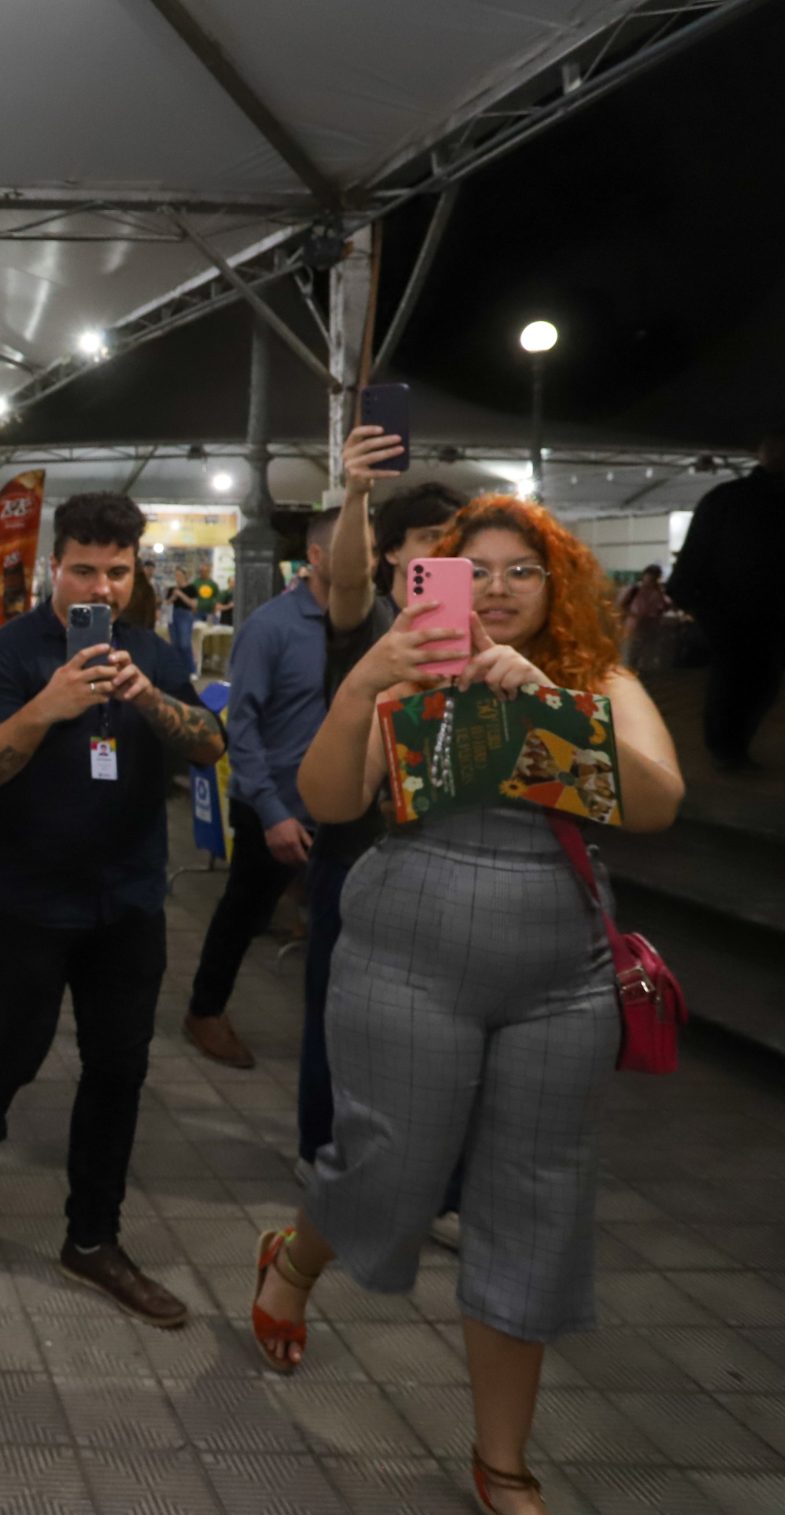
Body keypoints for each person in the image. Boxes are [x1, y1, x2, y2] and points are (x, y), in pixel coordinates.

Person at [263, 496, 685, 1515]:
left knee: (534, 1204)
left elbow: (657, 801)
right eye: (475, 571)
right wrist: (369, 675)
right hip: (406, 955)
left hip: (561, 978)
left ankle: (502, 1464)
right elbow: (326, 801)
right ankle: (298, 1251)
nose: (496, 590)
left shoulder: (595, 680)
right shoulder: (409, 680)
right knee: (391, 1170)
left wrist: (545, 704)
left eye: (521, 572)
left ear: (559, 587)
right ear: (437, 582)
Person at [0, 492, 226, 1329]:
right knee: (18, 1042)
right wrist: (48, 706)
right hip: (26, 897)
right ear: (51, 566)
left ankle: (93, 1237)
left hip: (130, 898)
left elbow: (210, 745)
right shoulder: (4, 655)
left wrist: (147, 700)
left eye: (115, 569)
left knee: (120, 1066)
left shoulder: (153, 654)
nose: (98, 584)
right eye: (82, 569)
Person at [299, 461, 466, 1191]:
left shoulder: (480, 635)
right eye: (430, 537)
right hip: (355, 848)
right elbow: (344, 583)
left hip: (447, 857)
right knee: (337, 1014)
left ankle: (438, 1178)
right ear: (391, 550)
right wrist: (358, 491)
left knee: (447, 1031)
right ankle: (321, 1151)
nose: (443, 552)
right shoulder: (367, 623)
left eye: (455, 541)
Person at [184, 506, 356, 1071]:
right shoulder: (272, 626)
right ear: (316, 556)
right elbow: (243, 723)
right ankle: (205, 1011)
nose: (366, 561)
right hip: (277, 801)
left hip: (349, 807)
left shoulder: (374, 625)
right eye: (353, 548)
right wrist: (272, 810)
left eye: (372, 551)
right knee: (244, 910)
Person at [667, 431, 785, 772]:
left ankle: (732, 746)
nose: (783, 452)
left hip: (772, 608)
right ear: (759, 451)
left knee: (763, 680)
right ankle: (728, 748)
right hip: (731, 608)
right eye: (775, 445)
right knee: (737, 678)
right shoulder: (731, 499)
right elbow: (698, 549)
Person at [615, 565, 672, 677]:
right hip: (634, 624)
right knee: (631, 651)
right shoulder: (634, 589)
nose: (652, 579)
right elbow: (621, 605)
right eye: (650, 576)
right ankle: (629, 672)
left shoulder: (659, 591)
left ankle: (642, 674)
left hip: (650, 625)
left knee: (646, 651)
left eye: (655, 577)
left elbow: (665, 605)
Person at [166, 568, 200, 669]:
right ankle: (178, 669)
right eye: (176, 575)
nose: (178, 578)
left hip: (185, 615)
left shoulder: (191, 588)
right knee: (174, 644)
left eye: (180, 575)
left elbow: (193, 604)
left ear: (185, 576)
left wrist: (181, 595)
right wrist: (173, 597)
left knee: (184, 644)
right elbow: (166, 603)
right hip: (172, 615)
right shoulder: (172, 589)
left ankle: (191, 669)